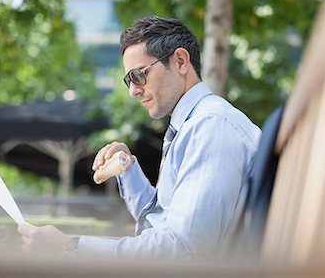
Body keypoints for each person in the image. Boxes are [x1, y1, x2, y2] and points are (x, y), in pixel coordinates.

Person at [18, 16, 261, 261]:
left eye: (138, 75)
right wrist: (127, 169)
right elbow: (161, 222)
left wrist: (70, 246)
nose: (133, 90)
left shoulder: (211, 127)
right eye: (129, 80)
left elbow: (182, 249)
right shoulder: (193, 125)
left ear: (180, 61)